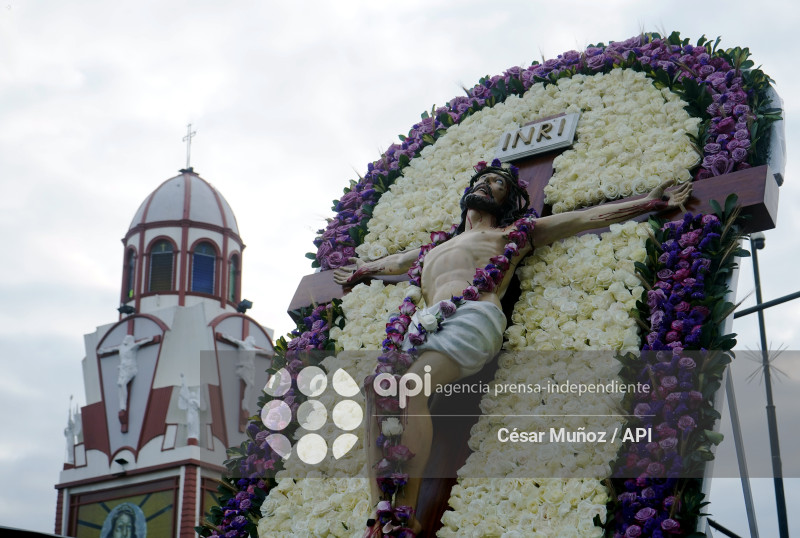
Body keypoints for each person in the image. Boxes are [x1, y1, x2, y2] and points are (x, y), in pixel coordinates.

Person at [333, 160, 692, 535]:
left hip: (471, 316)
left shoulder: (512, 234)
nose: (488, 186)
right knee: (378, 391)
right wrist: (362, 269)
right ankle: (379, 514)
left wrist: (648, 204)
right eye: (484, 180)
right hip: (422, 325)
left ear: (506, 202)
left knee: (408, 389)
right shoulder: (433, 248)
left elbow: (585, 218)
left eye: (498, 185)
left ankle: (401, 519)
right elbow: (390, 263)